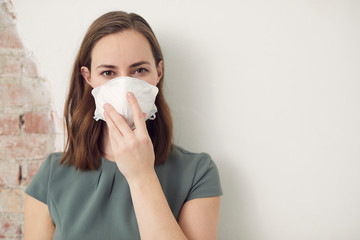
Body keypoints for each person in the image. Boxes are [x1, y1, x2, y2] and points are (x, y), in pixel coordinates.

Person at [24, 11, 222, 240]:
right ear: (88, 78)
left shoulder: (197, 172)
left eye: (139, 70)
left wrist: (141, 176)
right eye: (108, 73)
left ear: (158, 72)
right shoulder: (52, 175)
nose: (125, 86)